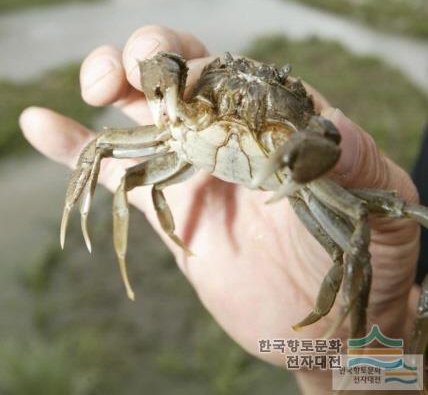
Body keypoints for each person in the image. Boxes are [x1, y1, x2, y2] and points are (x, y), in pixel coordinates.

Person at [19, 24, 423, 395]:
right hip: (193, 135)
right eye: (231, 74)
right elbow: (109, 138)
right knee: (116, 163)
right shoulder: (184, 116)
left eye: (275, 85)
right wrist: (344, 359)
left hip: (293, 170)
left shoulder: (309, 145)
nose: (249, 93)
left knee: (350, 247)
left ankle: (335, 319)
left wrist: (371, 329)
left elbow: (354, 234)